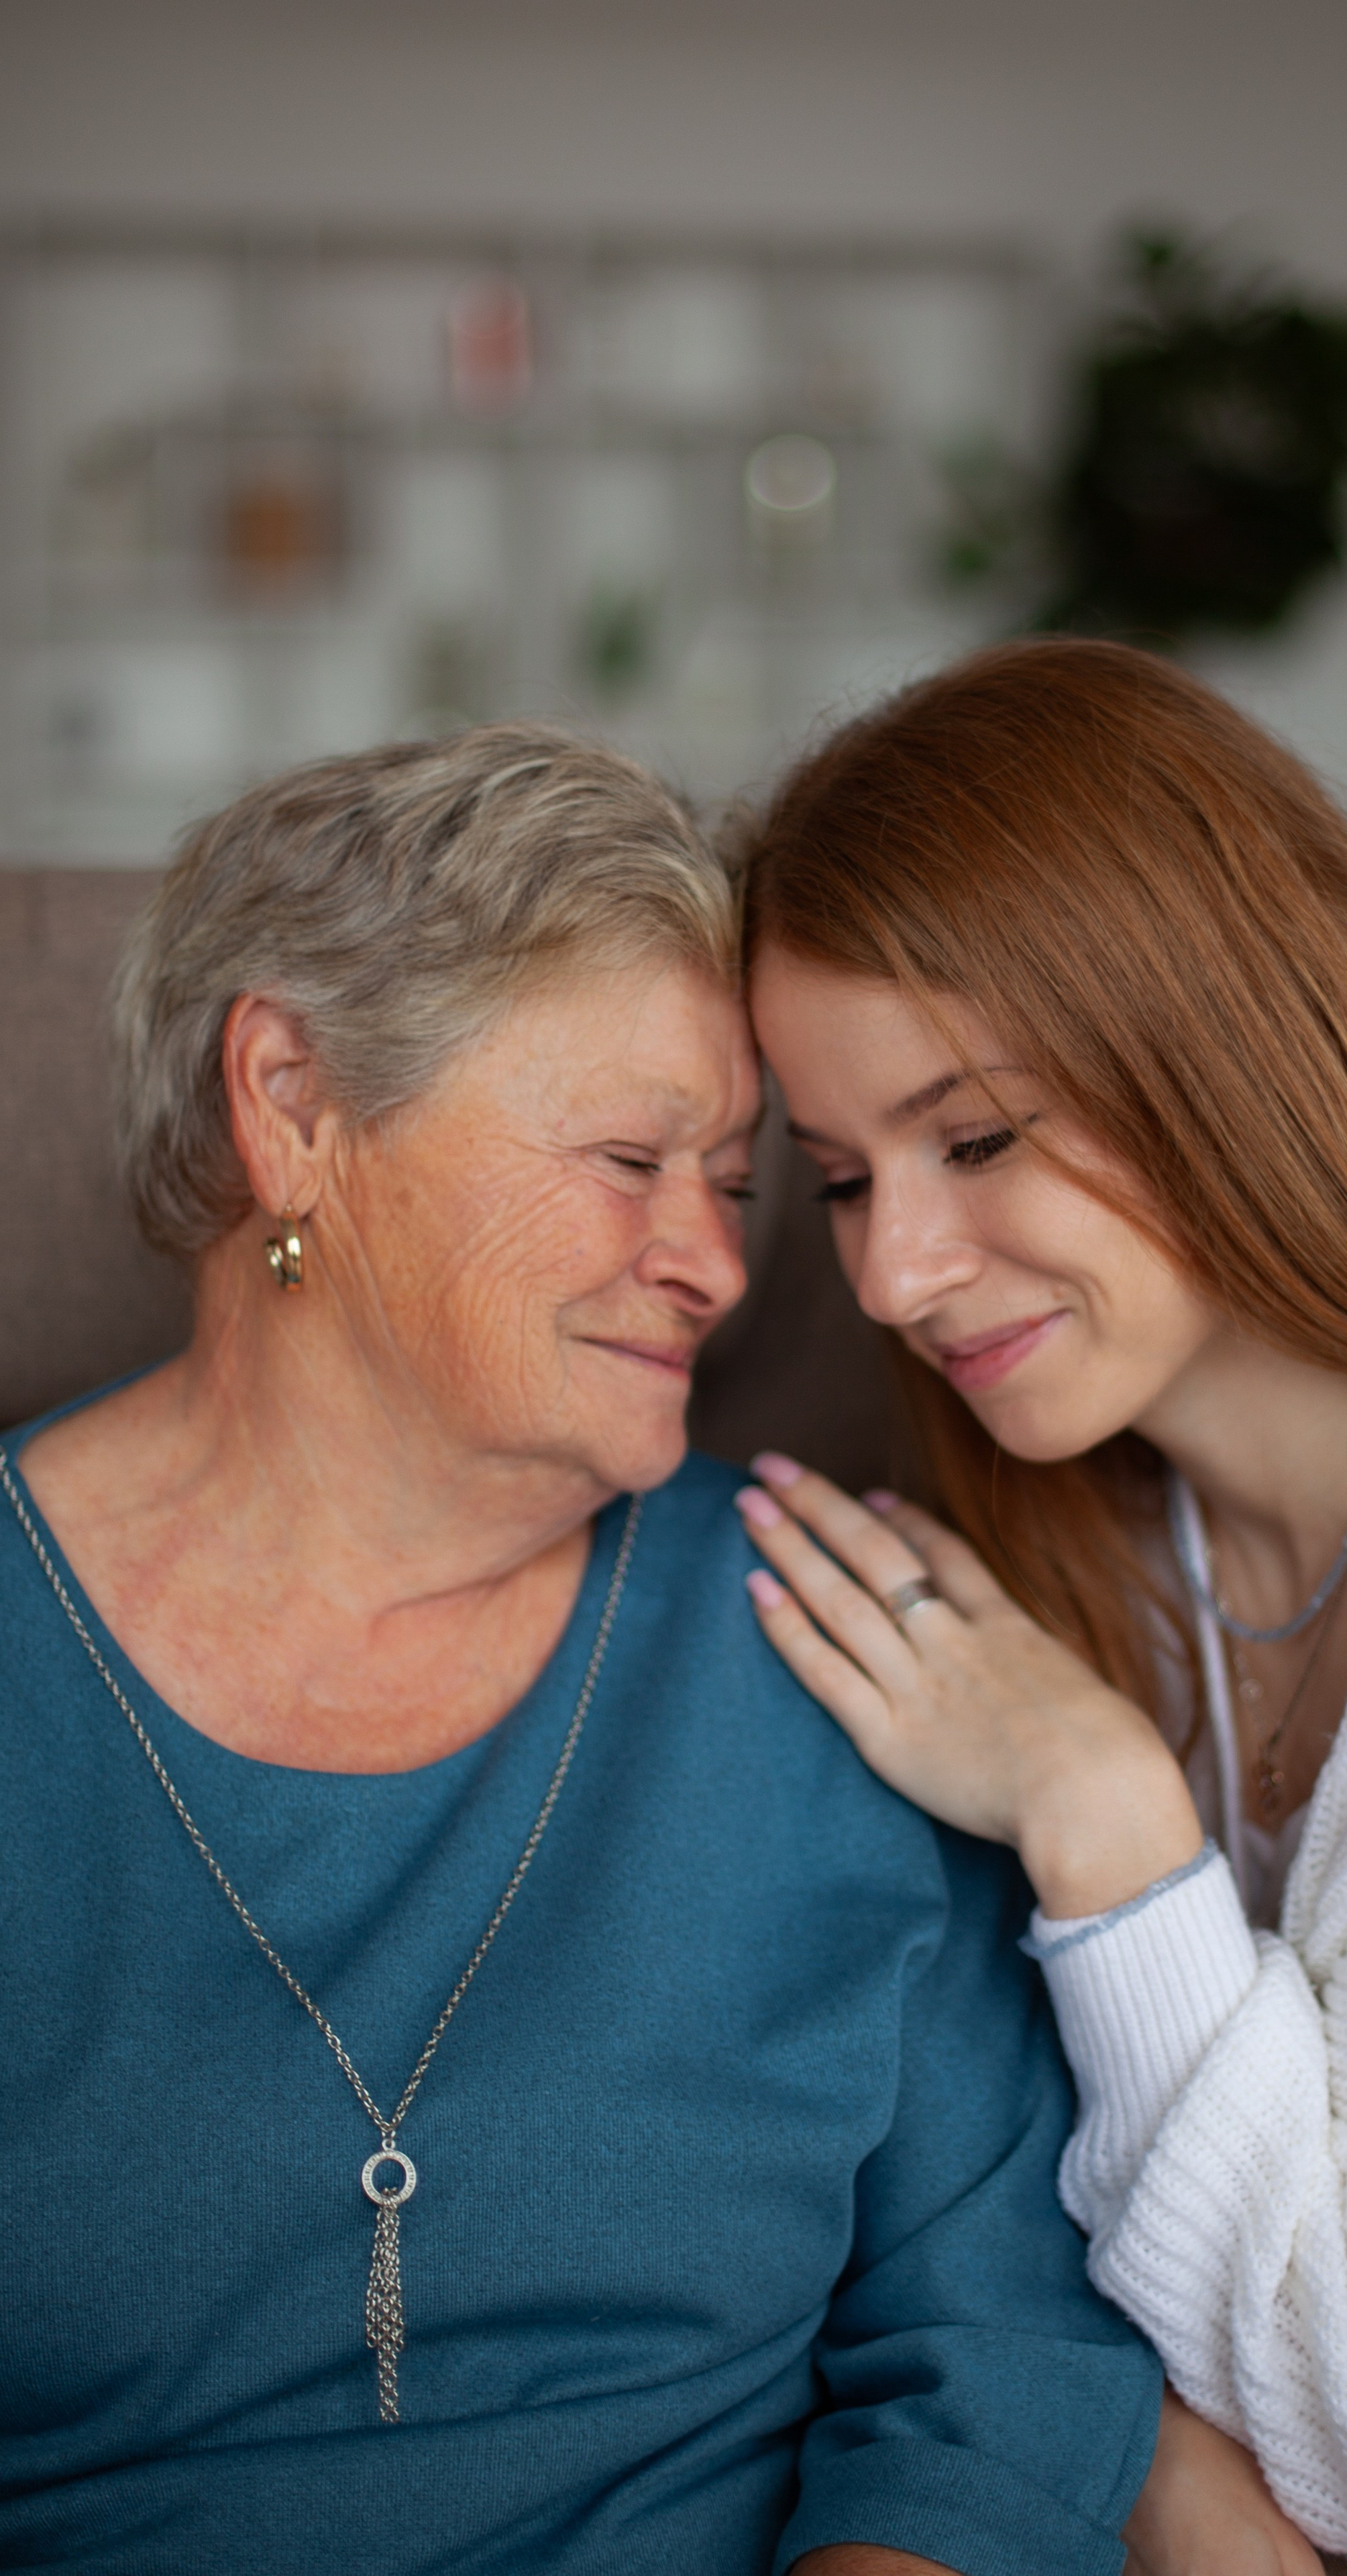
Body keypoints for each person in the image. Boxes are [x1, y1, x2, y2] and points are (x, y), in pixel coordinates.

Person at [0, 723, 1161, 2575]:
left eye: (735, 1176)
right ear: (293, 1105)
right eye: (632, 1157)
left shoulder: (835, 1631)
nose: (717, 1261)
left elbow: (999, 2343)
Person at [733, 638, 1347, 2576]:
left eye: (980, 1135)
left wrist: (1115, 1837)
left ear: (1221, 1046)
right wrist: (1172, 2467)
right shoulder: (1095, 1538)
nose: (896, 1274)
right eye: (842, 1180)